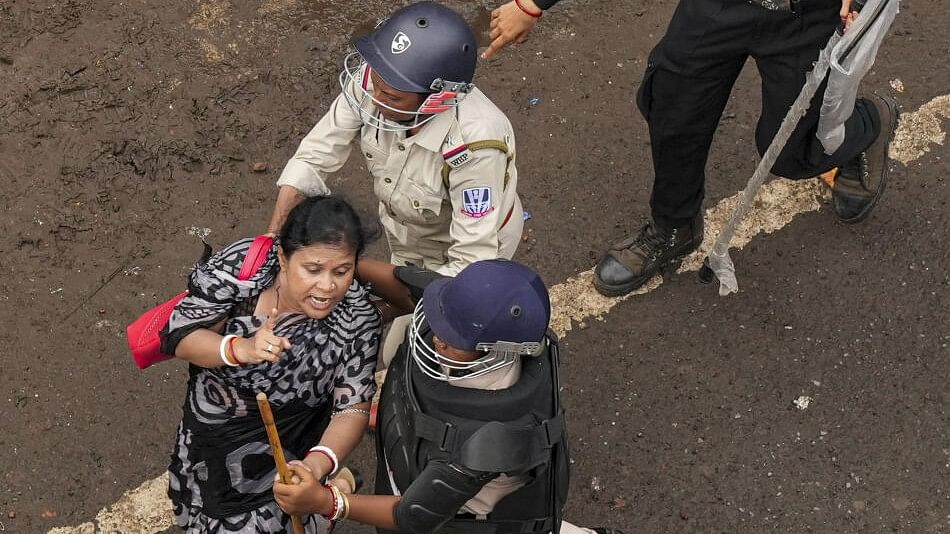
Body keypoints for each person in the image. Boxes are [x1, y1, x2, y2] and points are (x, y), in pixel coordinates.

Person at [483, 0, 900, 297]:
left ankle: (870, 123)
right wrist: (532, 3)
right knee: (672, 107)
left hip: (810, 16)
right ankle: (674, 227)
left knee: (794, 150)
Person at [274, 259, 624, 534]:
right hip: (415, 475)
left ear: (495, 351)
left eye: (451, 337)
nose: (437, 337)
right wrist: (332, 262)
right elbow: (405, 282)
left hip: (467, 520)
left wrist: (327, 501)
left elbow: (414, 514)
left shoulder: (492, 437)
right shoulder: (469, 315)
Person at [159, 195, 382, 533]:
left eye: (342, 271)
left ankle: (333, 491)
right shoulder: (244, 268)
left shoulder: (358, 319)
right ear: (282, 257)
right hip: (210, 443)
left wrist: (314, 467)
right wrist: (241, 349)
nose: (328, 286)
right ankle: (343, 486)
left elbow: (352, 409)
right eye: (313, 269)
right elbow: (181, 336)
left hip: (287, 455)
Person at [267, 1, 524, 277]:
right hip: (406, 238)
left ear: (436, 101)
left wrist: (383, 308)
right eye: (376, 85)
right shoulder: (383, 79)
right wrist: (273, 239)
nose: (374, 100)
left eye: (390, 97)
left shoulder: (476, 149)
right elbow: (313, 157)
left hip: (459, 252)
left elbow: (470, 261)